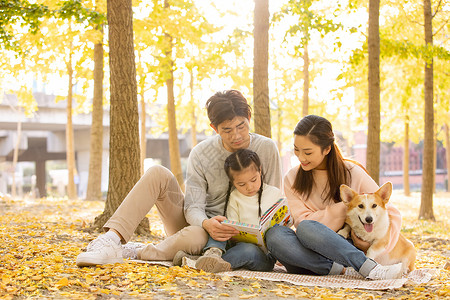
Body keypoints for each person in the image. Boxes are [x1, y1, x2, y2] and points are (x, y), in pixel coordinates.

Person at [76, 89, 282, 267]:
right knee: (158, 174)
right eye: (227, 130)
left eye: (241, 126)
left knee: (194, 239)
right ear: (214, 128)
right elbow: (192, 206)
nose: (236, 135)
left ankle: (137, 251)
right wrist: (206, 224)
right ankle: (110, 240)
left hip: (243, 235)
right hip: (199, 226)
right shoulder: (201, 153)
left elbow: (274, 201)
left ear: (248, 116)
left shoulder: (266, 148)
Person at [265, 115, 404, 280]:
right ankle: (343, 270)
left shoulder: (352, 172)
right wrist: (345, 207)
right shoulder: (292, 178)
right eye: (296, 149)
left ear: (326, 149)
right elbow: (302, 222)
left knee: (306, 227)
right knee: (276, 235)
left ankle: (365, 265)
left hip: (346, 247)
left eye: (308, 152)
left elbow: (391, 213)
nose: (300, 157)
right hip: (308, 248)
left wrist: (371, 244)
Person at [187, 149, 280, 273]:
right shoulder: (235, 196)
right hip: (238, 246)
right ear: (233, 183)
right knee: (221, 225)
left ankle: (195, 262)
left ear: (260, 170)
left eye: (254, 180)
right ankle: (213, 253)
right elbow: (233, 227)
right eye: (241, 184)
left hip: (263, 256)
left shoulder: (275, 194)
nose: (249, 187)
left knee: (248, 250)